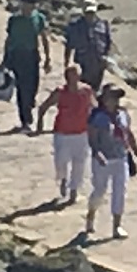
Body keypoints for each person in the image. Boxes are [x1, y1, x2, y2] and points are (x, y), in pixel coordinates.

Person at [80, 84, 137, 242]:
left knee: (120, 191)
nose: (114, 101)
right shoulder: (97, 116)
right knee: (100, 191)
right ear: (104, 99)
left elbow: (128, 134)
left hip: (120, 157)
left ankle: (117, 225)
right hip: (103, 159)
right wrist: (97, 152)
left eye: (116, 97)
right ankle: (91, 214)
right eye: (111, 97)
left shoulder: (123, 115)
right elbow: (92, 137)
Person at [35, 63, 95, 206]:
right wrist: (40, 124)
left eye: (75, 76)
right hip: (63, 134)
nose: (73, 80)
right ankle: (63, 179)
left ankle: (73, 190)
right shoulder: (60, 92)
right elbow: (43, 107)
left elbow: (94, 107)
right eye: (70, 76)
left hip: (81, 133)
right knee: (61, 161)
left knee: (79, 163)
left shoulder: (86, 91)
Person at [3, 0, 51, 134]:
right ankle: (25, 119)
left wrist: (48, 58)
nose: (31, 6)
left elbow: (44, 38)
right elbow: (9, 39)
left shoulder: (39, 18)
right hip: (17, 56)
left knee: (33, 86)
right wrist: (5, 58)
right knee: (22, 88)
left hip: (32, 55)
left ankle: (29, 104)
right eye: (28, 3)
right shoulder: (14, 20)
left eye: (33, 3)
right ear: (22, 3)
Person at [63, 1, 113, 87]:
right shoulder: (76, 26)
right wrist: (66, 62)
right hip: (82, 61)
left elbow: (108, 42)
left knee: (96, 87)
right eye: (88, 13)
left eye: (92, 12)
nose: (90, 15)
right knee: (82, 87)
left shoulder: (103, 24)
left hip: (98, 62)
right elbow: (69, 44)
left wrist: (105, 57)